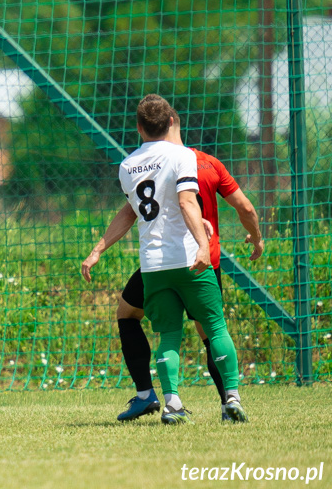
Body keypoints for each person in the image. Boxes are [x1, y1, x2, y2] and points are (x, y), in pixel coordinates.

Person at [82, 111, 263, 422]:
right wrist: (246, 239)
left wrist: (98, 249)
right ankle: (230, 399)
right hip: (197, 258)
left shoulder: (129, 165)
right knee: (213, 329)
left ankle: (169, 403)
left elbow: (133, 210)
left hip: (154, 264)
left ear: (139, 127)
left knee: (166, 333)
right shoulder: (195, 159)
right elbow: (190, 202)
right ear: (172, 123)